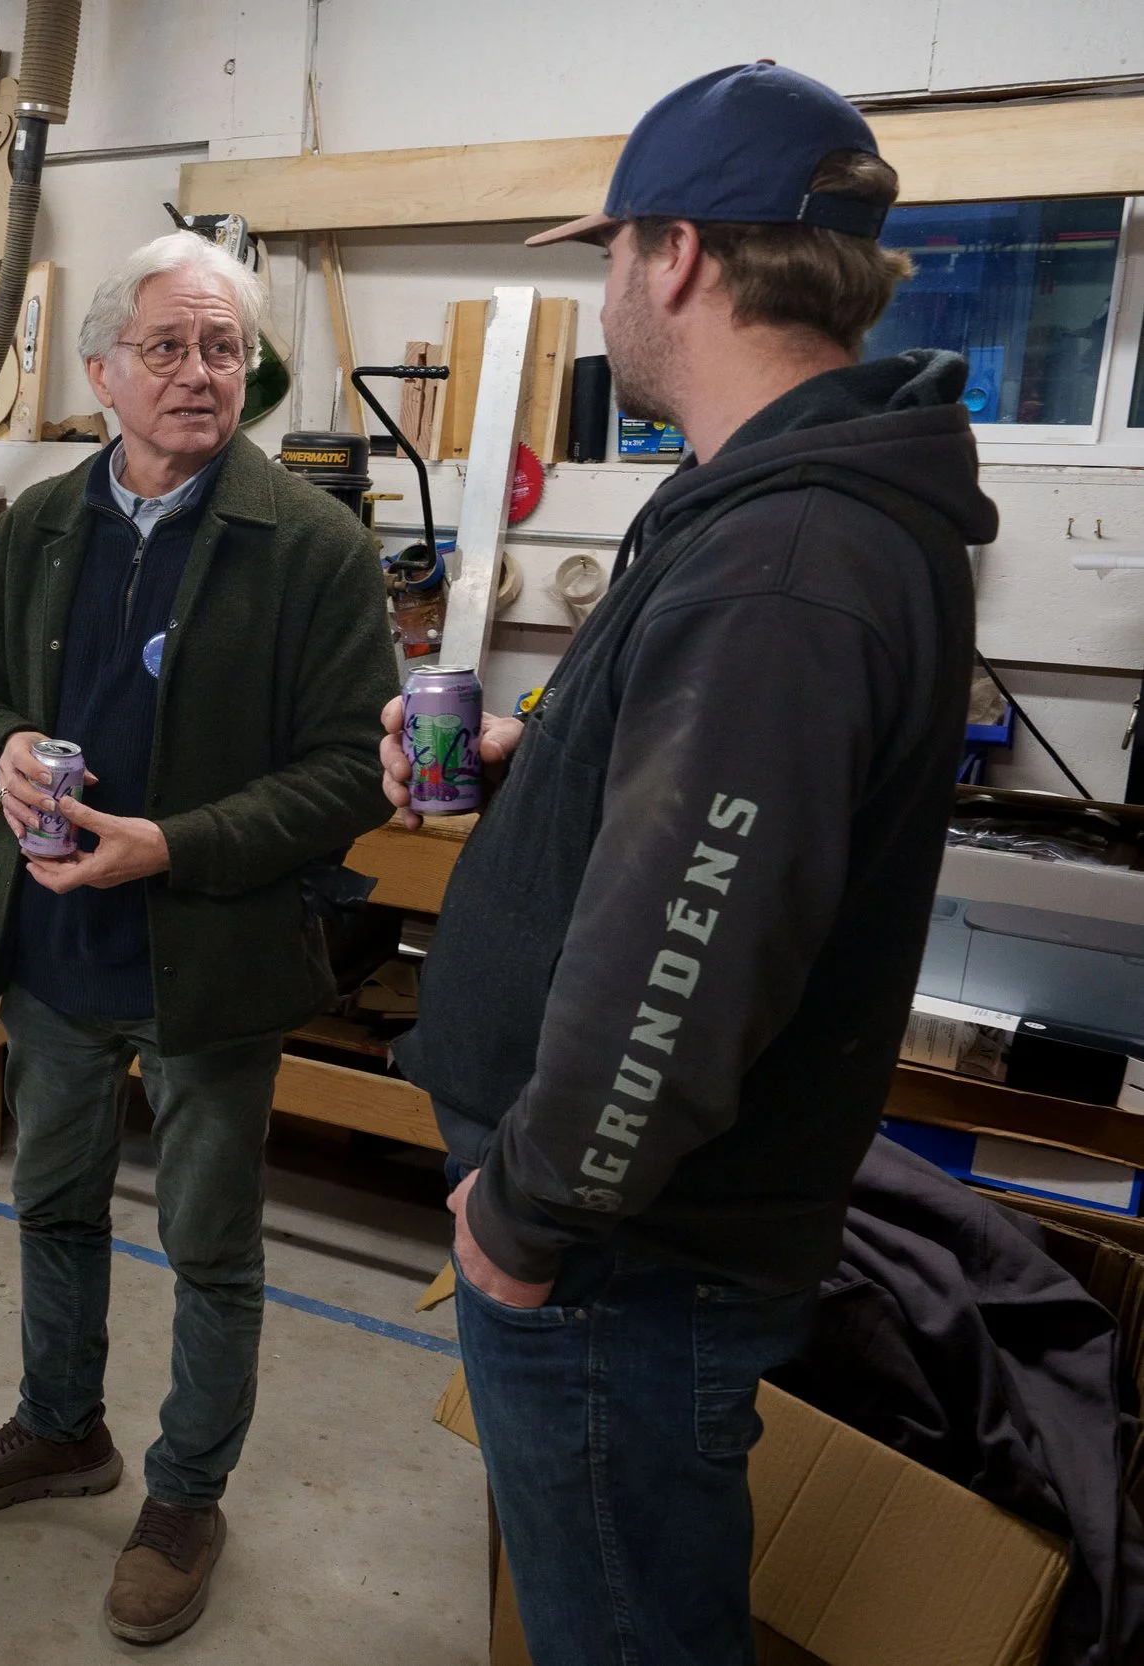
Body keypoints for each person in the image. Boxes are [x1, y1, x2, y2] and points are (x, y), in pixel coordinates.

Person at [382, 64, 996, 1664]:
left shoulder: (791, 560)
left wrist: (524, 1216)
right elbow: (709, 826)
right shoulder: (773, 500)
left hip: (615, 1255)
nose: (606, 293)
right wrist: (546, 766)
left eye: (609, 254)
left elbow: (688, 956)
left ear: (675, 257)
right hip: (622, 1234)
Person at [0, 232, 398, 1645]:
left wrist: (173, 844)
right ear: (102, 372)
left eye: (225, 348)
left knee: (208, 1241)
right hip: (60, 956)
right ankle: (61, 1424)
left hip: (210, 959)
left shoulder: (312, 546)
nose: (201, 374)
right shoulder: (45, 522)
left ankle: (188, 1491)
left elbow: (354, 772)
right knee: (51, 1203)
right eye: (170, 348)